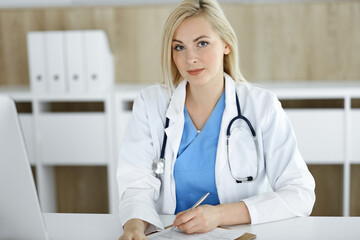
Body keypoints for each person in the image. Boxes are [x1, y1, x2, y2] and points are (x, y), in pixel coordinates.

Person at [117, 0, 315, 239]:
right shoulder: (150, 104)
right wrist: (134, 228)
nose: (191, 58)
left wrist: (219, 215)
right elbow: (136, 183)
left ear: (226, 45)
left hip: (237, 233)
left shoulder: (261, 106)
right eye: (179, 47)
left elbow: (300, 192)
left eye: (202, 43)